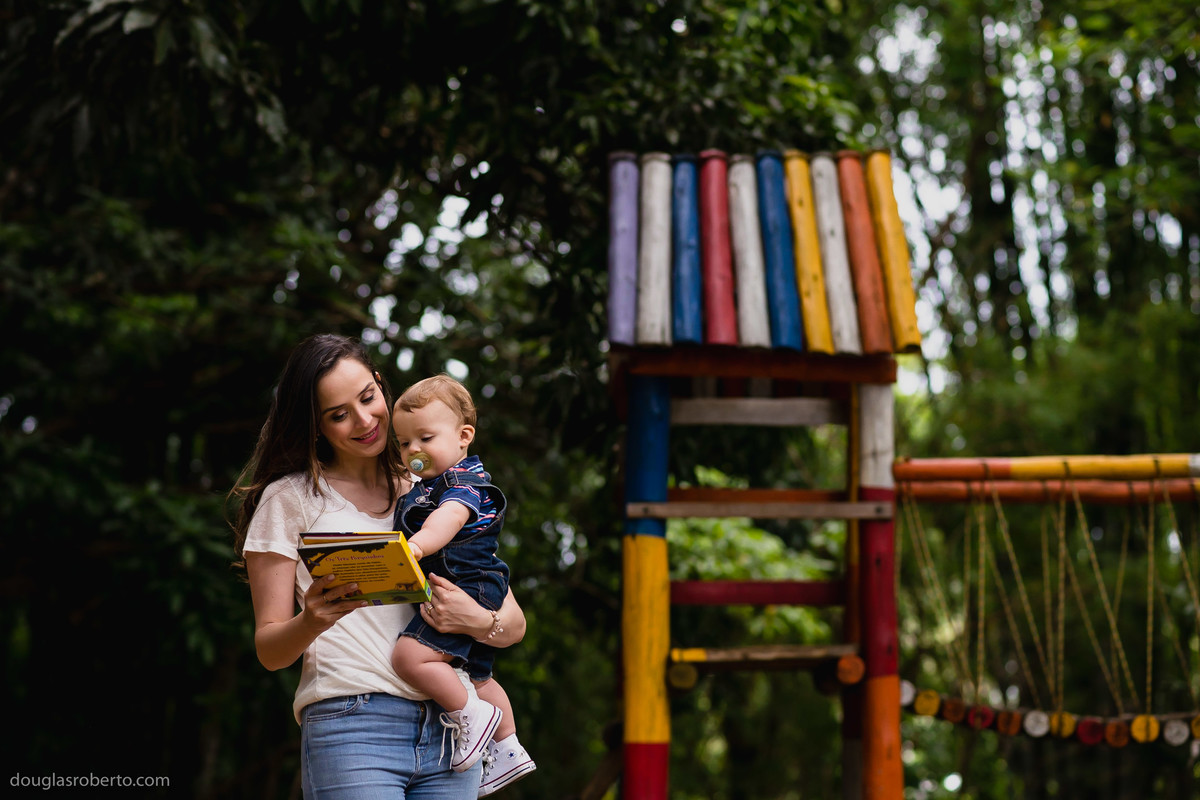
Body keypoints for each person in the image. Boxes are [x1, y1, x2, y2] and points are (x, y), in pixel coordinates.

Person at [229, 333, 527, 799]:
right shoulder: (289, 498)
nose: (364, 420)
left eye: (368, 397)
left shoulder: (432, 490)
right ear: (315, 426)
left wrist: (476, 620)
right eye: (338, 415)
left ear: (381, 384)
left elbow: (513, 626)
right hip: (354, 726)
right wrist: (312, 619)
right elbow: (270, 651)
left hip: (454, 727)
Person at [389, 375, 536, 796]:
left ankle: (471, 715)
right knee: (477, 675)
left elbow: (449, 518)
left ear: (463, 436)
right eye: (404, 443)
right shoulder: (428, 484)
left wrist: (416, 547)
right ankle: (508, 747)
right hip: (477, 587)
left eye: (425, 438)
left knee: (409, 657)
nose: (413, 450)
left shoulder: (461, 483)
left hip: (466, 586)